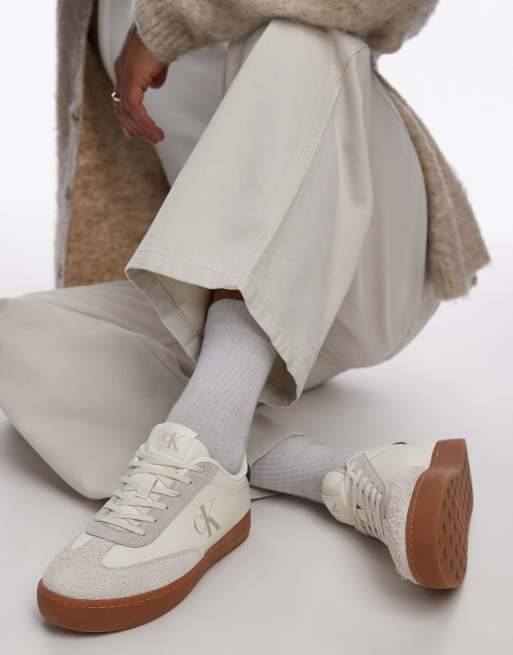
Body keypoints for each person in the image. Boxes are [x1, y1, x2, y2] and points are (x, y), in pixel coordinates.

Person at [0, 0, 487, 633]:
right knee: (18, 337)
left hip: (363, 260)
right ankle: (333, 473)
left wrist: (168, 22)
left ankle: (201, 448)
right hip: (230, 308)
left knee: (298, 38)